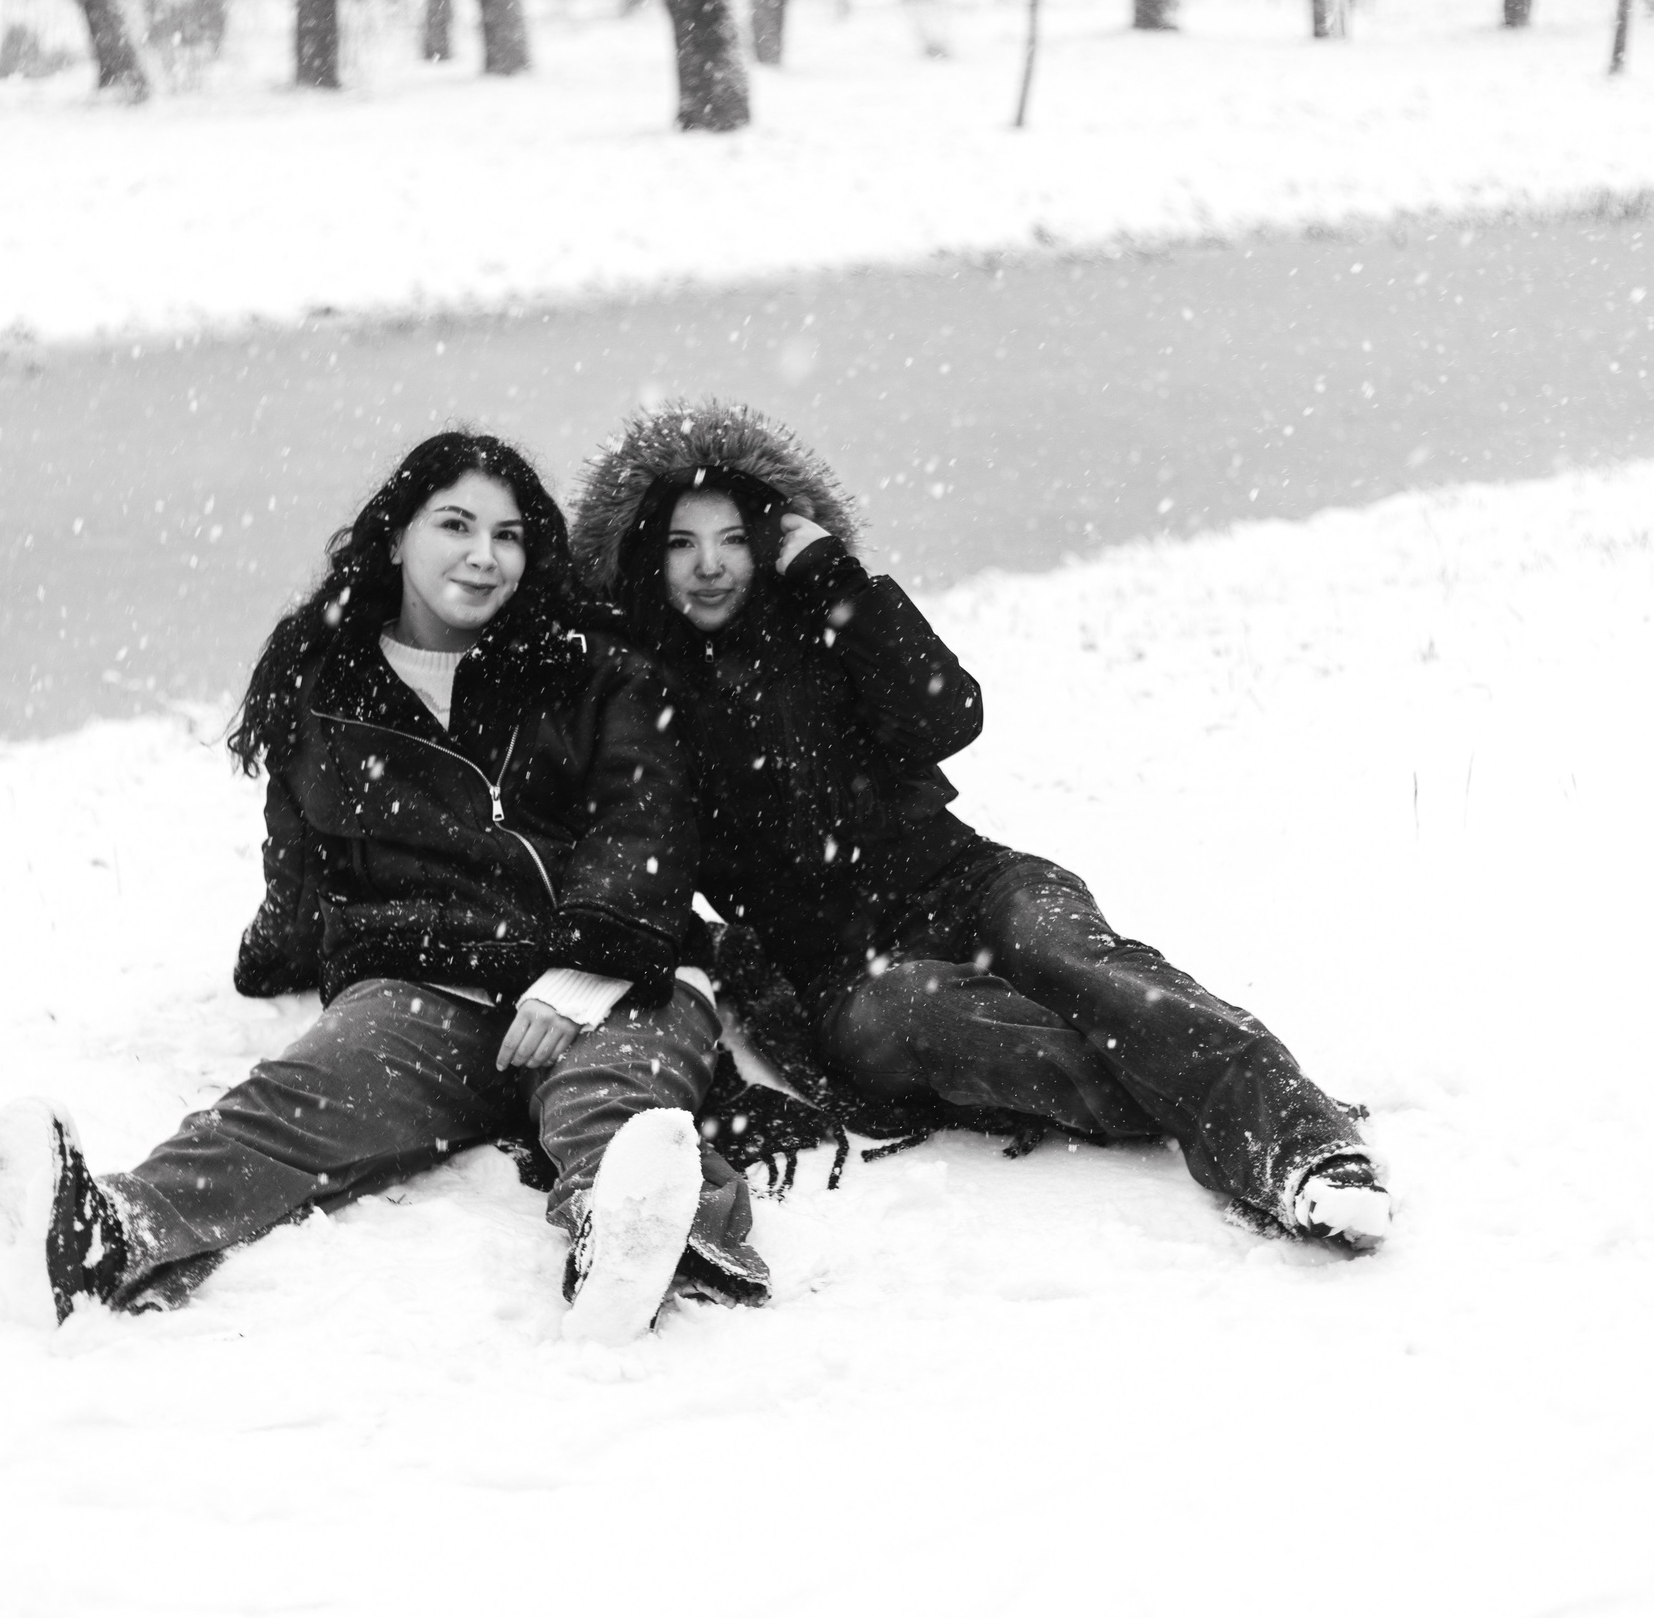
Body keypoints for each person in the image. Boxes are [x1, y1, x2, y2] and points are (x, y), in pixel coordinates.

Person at [0, 432, 769, 1343]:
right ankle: (106, 1235)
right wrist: (274, 953)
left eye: (508, 535)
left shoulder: (591, 672)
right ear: (396, 536)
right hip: (437, 986)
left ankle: (634, 1245)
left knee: (608, 1107)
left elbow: (645, 830)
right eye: (457, 525)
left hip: (618, 977)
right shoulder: (326, 690)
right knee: (286, 1107)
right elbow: (304, 853)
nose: (484, 555)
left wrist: (582, 973)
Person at [569, 403, 1394, 1250]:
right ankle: (1233, 1093)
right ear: (642, 554)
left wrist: (836, 581)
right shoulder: (637, 692)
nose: (709, 565)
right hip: (842, 972)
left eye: (733, 538)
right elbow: (641, 841)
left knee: (1073, 958)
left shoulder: (824, 621)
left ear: (771, 538)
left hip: (965, 879)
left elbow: (947, 716)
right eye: (680, 542)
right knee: (925, 1018)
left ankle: (1305, 1149)